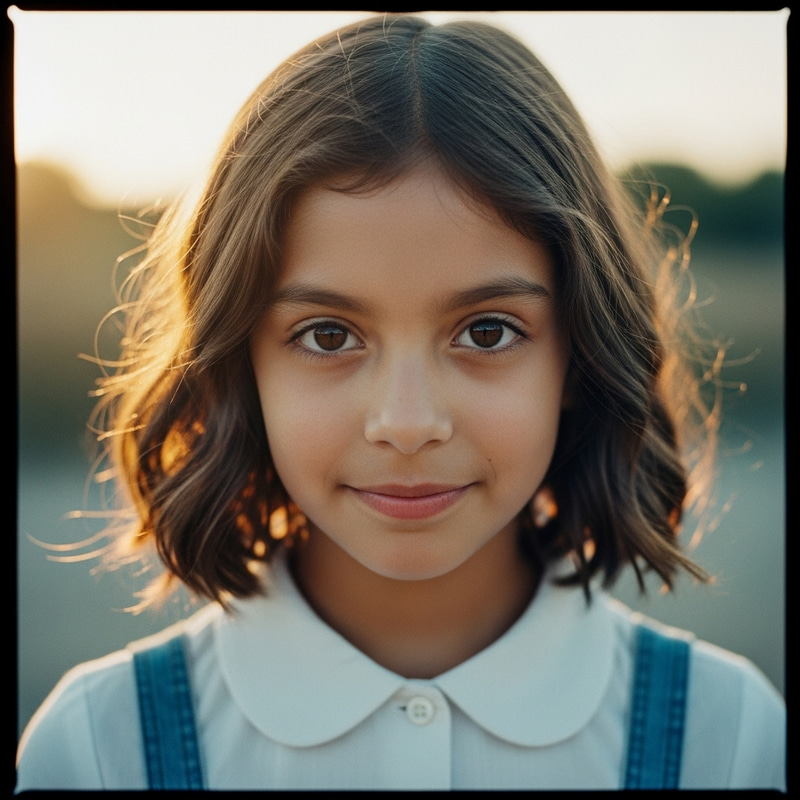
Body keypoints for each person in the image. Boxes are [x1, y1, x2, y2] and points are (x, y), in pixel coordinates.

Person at [15, 13, 785, 792]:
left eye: (487, 332)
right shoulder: (100, 750)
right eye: (327, 336)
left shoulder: (725, 740)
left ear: (580, 355)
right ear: (239, 364)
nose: (408, 424)